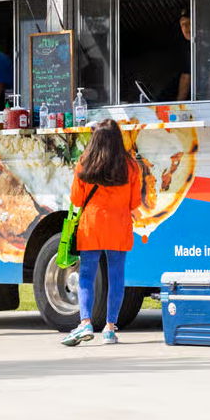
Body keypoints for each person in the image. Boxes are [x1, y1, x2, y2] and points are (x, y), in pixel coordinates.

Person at [62, 119, 142, 347]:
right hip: (119, 226)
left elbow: (76, 199)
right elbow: (134, 202)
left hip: (92, 226)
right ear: (118, 139)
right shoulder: (131, 167)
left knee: (87, 275)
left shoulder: (85, 163)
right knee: (117, 277)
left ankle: (85, 322)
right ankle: (109, 329)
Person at [176, 9, 192, 102]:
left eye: (189, 23)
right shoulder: (187, 47)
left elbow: (186, 79)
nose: (186, 27)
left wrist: (178, 107)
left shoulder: (202, 45)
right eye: (183, 24)